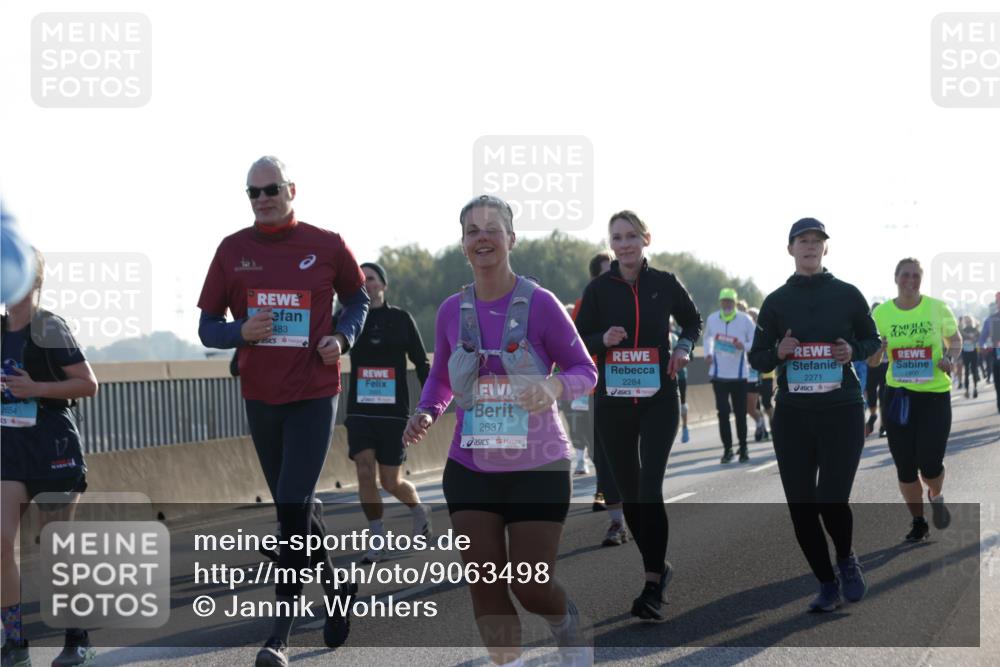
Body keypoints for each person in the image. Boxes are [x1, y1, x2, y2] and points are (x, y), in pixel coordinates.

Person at [403, 195, 597, 667]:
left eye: (493, 228)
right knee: (485, 580)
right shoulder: (451, 311)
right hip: (471, 463)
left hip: (540, 463)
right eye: (472, 230)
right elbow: (442, 377)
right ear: (464, 244)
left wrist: (553, 384)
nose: (482, 237)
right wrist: (428, 410)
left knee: (529, 584)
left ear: (511, 238)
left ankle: (565, 621)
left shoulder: (541, 304)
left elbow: (585, 371)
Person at [197, 156, 369, 666]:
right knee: (296, 507)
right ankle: (337, 586)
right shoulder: (232, 251)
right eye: (253, 192)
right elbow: (208, 327)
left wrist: (342, 336)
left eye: (271, 188)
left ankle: (280, 635)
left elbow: (358, 300)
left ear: (291, 189)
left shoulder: (327, 244)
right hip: (260, 397)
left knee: (291, 507)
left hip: (315, 392)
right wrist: (238, 332)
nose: (263, 198)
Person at [574, 210, 702, 622]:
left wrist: (683, 348)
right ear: (610, 244)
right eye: (617, 237)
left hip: (658, 398)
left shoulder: (664, 283)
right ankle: (659, 568)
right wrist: (601, 339)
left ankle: (650, 584)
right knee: (629, 493)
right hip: (613, 401)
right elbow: (577, 339)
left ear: (646, 239)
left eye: (631, 236)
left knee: (649, 487)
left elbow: (692, 321)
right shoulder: (598, 290)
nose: (625, 244)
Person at [748, 218, 879, 613]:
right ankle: (826, 583)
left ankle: (846, 559)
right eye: (802, 241)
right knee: (801, 506)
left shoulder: (848, 294)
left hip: (841, 409)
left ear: (826, 249)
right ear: (790, 249)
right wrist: (780, 352)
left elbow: (872, 341)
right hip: (794, 414)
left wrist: (850, 351)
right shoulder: (775, 302)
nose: (809, 246)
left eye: (816, 241)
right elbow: (757, 356)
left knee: (831, 499)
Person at [2, 248, 99, 667]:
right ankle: (15, 642)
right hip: (9, 449)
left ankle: (77, 637)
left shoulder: (49, 327)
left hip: (54, 447)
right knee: (1, 544)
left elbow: (87, 384)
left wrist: (35, 388)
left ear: (35, 280)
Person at [339, 262, 432, 563]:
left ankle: (419, 511)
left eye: (372, 279)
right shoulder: (347, 318)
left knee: (390, 481)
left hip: (393, 411)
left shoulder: (400, 319)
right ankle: (376, 536)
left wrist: (429, 402)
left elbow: (421, 362)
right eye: (361, 280)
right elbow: (321, 342)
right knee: (364, 470)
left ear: (383, 284)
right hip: (360, 410)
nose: (367, 283)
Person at [871, 258, 962, 543]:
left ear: (921, 279)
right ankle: (918, 521)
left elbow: (956, 340)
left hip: (934, 395)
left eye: (915, 276)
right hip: (898, 396)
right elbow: (872, 361)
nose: (910, 280)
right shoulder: (881, 314)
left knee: (931, 463)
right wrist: (879, 349)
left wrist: (949, 359)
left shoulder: (937, 307)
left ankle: (935, 495)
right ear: (895, 278)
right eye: (905, 275)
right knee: (905, 466)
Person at [570, 253, 626, 544]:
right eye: (607, 273)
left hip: (626, 386)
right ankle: (608, 501)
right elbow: (573, 341)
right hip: (590, 388)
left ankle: (619, 514)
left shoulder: (627, 297)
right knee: (597, 454)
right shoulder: (583, 304)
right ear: (595, 278)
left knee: (623, 452)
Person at [703, 288, 756, 463]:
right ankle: (727, 449)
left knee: (740, 414)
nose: (726, 304)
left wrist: (744, 346)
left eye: (730, 301)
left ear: (735, 303)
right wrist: (708, 354)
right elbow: (708, 338)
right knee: (723, 413)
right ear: (720, 302)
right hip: (718, 374)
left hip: (739, 375)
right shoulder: (712, 318)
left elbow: (755, 339)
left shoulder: (744, 319)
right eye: (724, 301)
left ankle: (743, 448)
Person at [745, 308, 769, 442]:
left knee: (752, 406)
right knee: (748, 408)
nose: (750, 319)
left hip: (753, 373)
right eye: (749, 317)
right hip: (739, 373)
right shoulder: (741, 330)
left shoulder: (759, 331)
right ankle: (761, 425)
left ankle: (761, 426)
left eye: (753, 317)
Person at [864, 302, 889, 438]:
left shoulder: (889, 326)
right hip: (872, 364)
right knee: (871, 391)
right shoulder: (869, 329)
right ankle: (873, 415)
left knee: (883, 396)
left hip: (886, 365)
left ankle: (883, 427)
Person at [978, 294, 1000, 413]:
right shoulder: (991, 319)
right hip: (997, 356)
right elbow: (982, 338)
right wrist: (983, 347)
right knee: (998, 384)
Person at [958, 315, 981, 399]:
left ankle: (975, 388)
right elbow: (959, 338)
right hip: (966, 352)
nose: (968, 322)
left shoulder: (975, 330)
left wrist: (974, 339)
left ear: (971, 321)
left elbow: (979, 338)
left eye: (969, 321)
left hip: (973, 352)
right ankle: (967, 390)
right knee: (967, 371)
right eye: (966, 321)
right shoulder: (963, 330)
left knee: (973, 370)